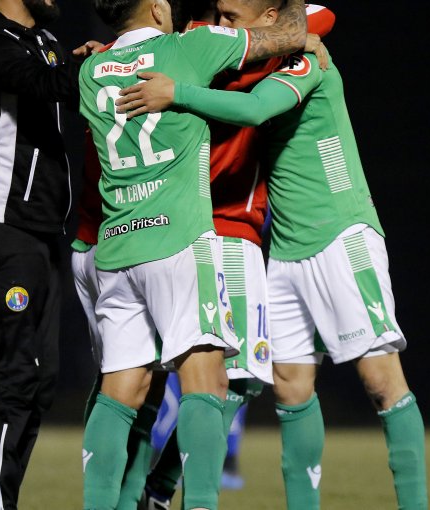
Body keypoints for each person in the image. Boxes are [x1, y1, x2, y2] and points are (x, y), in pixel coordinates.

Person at [116, 1, 430, 507]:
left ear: (270, 21)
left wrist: (175, 94)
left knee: (380, 381)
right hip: (282, 248)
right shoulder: (249, 54)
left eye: (231, 17)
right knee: (288, 388)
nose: (222, 26)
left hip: (340, 232)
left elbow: (258, 107)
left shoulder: (306, 63)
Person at [77, 0, 307, 508]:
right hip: (180, 241)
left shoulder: (90, 70)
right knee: (207, 379)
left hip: (117, 247)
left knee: (120, 393)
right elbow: (287, 35)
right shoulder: (190, 48)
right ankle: (195, 501)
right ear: (159, 9)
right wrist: (300, 31)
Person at [0, 1, 94, 508]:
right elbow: (57, 84)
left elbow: (63, 76)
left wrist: (95, 61)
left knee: (39, 378)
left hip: (38, 233)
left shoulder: (45, 44)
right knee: (14, 371)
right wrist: (114, 61)